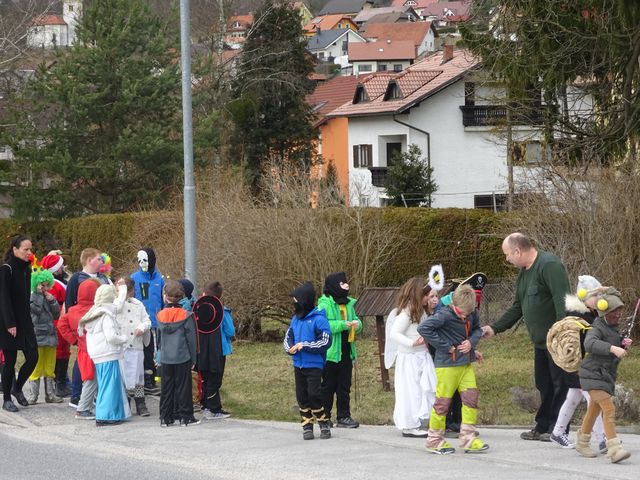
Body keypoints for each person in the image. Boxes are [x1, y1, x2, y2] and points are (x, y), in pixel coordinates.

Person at [482, 233, 570, 442]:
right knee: (544, 385)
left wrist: (563, 334)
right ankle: (543, 425)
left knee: (560, 385)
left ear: (517, 251)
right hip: (540, 342)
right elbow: (517, 307)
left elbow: (563, 301)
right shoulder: (524, 273)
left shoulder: (549, 266)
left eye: (507, 254)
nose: (507, 259)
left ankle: (557, 429)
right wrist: (495, 328)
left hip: (556, 341)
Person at [418, 285, 489, 454]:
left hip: (465, 365)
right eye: (461, 313)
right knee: (442, 404)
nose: (465, 316)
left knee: (471, 399)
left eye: (468, 313)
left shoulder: (471, 312)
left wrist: (471, 343)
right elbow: (423, 329)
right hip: (447, 366)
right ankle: (434, 440)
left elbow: (477, 330)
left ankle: (468, 438)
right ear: (453, 304)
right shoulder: (443, 314)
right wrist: (446, 346)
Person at [549, 275, 605, 451]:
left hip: (583, 366)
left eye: (599, 295)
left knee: (572, 398)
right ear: (584, 296)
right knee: (594, 400)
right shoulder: (579, 317)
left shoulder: (592, 314)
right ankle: (603, 439)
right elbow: (585, 343)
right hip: (579, 366)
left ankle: (558, 432)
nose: (599, 298)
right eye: (595, 295)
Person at [575, 288, 632, 463]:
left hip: (603, 375)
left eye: (619, 310)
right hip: (592, 375)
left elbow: (612, 352)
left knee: (593, 410)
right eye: (614, 311)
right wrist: (613, 348)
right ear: (604, 311)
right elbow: (590, 343)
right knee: (609, 408)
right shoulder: (597, 326)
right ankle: (614, 449)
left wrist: (622, 345)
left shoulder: (613, 328)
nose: (618, 314)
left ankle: (582, 442)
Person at [387, 278, 437, 438]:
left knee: (423, 389)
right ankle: (409, 425)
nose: (428, 298)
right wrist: (412, 343)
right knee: (411, 391)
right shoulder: (407, 312)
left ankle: (419, 420)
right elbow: (394, 333)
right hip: (409, 358)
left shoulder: (421, 311)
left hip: (421, 356)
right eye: (426, 295)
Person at [284, 282, 332, 440]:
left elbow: (325, 342)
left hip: (314, 365)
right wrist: (289, 348)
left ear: (304, 301)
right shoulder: (295, 320)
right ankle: (307, 425)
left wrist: (304, 345)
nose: (294, 304)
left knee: (314, 394)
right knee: (302, 396)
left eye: (296, 301)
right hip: (298, 364)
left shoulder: (319, 320)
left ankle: (323, 422)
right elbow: (288, 337)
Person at [64, 248, 110, 408]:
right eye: (99, 259)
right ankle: (76, 395)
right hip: (83, 327)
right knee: (82, 361)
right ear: (89, 260)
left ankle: (93, 395)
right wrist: (74, 329)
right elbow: (70, 304)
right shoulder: (77, 279)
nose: (102, 261)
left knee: (96, 361)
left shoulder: (103, 278)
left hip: (101, 325)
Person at [81, 282, 131, 426]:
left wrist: (122, 290)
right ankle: (106, 415)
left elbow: (118, 305)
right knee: (110, 386)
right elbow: (111, 337)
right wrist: (123, 338)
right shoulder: (106, 315)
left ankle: (106, 414)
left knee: (104, 386)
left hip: (98, 355)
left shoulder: (94, 313)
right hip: (108, 353)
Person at [318, 272, 362, 428]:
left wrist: (357, 324)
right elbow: (323, 325)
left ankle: (344, 416)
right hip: (330, 354)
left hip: (346, 351)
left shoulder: (349, 303)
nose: (347, 285)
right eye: (343, 283)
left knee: (344, 386)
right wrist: (343, 325)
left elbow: (357, 320)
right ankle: (325, 417)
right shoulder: (324, 304)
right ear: (334, 286)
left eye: (347, 282)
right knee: (328, 386)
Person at [0, 235, 39, 412]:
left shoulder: (26, 270)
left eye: (30, 249)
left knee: (33, 357)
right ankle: (7, 399)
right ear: (15, 250)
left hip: (25, 322)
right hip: (8, 322)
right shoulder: (6, 269)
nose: (29, 252)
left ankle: (17, 389)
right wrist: (10, 323)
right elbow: (3, 299)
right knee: (10, 361)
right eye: (26, 249)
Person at [157, 280, 198, 427]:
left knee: (166, 388)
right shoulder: (186, 315)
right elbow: (191, 339)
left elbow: (159, 339)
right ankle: (186, 417)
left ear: (165, 296)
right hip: (182, 356)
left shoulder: (160, 315)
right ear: (182, 296)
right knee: (184, 387)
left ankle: (165, 417)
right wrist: (193, 358)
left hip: (166, 357)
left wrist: (159, 354)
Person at [58, 279, 101, 420]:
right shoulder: (96, 310)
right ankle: (83, 409)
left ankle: (87, 405)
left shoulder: (72, 311)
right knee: (92, 380)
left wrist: (74, 340)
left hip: (83, 350)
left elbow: (61, 325)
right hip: (95, 350)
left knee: (89, 379)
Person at [25, 260, 62, 404]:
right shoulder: (32, 298)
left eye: (47, 285)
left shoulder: (48, 297)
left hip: (50, 336)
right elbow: (36, 311)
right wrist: (39, 295)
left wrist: (53, 301)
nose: (46, 288)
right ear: (36, 284)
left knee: (50, 366)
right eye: (43, 285)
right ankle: (33, 395)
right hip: (38, 336)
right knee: (36, 366)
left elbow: (56, 315)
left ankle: (50, 395)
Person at [131, 248, 165, 395]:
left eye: (144, 260)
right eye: (139, 260)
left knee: (154, 352)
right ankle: (143, 380)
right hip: (140, 323)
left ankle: (152, 380)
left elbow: (163, 300)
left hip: (156, 323)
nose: (142, 263)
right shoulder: (134, 278)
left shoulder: (159, 279)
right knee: (143, 351)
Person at [117, 277, 152, 417]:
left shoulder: (138, 304)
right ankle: (125, 401)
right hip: (122, 346)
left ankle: (140, 402)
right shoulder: (116, 304)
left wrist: (142, 327)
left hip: (136, 345)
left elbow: (147, 320)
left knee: (138, 375)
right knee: (123, 375)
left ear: (131, 291)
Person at [202, 281, 236, 416]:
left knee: (205, 376)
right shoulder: (222, 310)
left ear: (204, 294)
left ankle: (205, 405)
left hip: (203, 348)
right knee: (215, 378)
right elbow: (230, 331)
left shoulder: (199, 308)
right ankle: (214, 409)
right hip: (219, 349)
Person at [41, 253, 70, 398]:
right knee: (62, 351)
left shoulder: (46, 283)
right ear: (55, 269)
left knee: (55, 351)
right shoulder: (57, 284)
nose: (62, 268)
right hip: (58, 319)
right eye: (60, 266)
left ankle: (56, 382)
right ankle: (60, 384)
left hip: (50, 320)